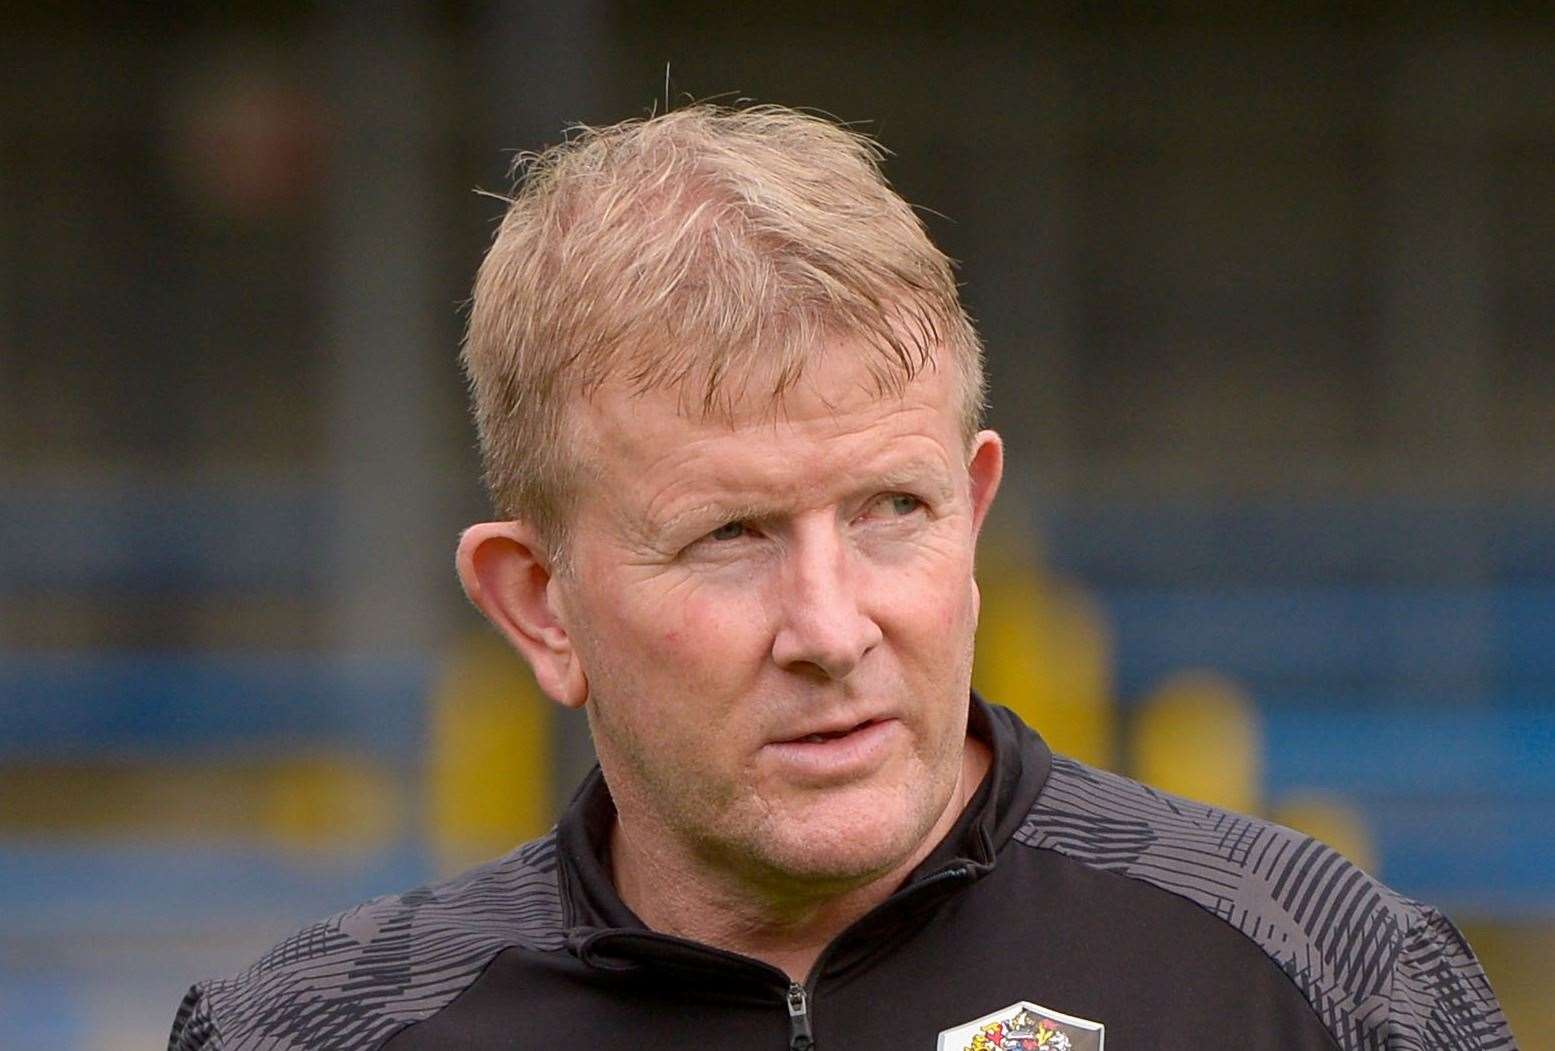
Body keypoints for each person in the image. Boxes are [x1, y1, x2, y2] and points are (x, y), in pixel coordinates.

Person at [168, 104, 1513, 1050]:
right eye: (730, 536)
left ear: (974, 514)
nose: (830, 626)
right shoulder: (315, 1033)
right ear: (538, 601)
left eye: (891, 512)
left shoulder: (1327, 982)